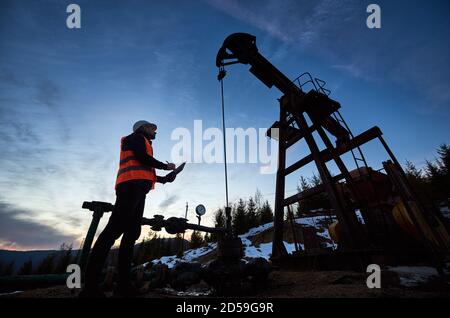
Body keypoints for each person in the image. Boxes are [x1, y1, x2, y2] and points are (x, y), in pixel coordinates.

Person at [79, 120, 177, 297]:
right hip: (130, 187)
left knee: (131, 233)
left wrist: (164, 179)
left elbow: (144, 167)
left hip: (138, 188)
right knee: (113, 230)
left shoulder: (144, 143)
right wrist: (165, 166)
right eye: (152, 128)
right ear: (143, 128)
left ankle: (123, 286)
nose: (155, 131)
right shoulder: (135, 138)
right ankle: (90, 287)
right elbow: (141, 158)